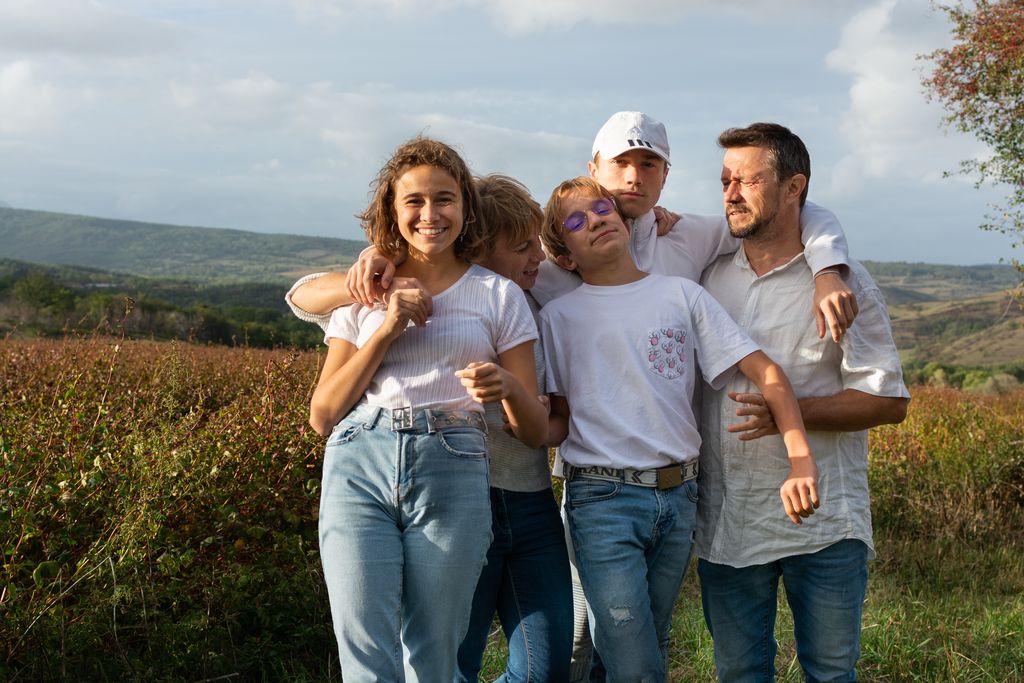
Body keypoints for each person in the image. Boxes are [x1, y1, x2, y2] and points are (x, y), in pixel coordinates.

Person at [538, 176, 820, 682]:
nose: (596, 219)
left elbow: (768, 372)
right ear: (564, 257)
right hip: (601, 500)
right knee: (635, 658)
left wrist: (801, 459)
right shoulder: (558, 317)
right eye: (575, 221)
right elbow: (557, 417)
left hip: (679, 495)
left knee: (644, 640)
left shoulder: (680, 295)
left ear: (625, 221)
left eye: (602, 208)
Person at [298, 173, 573, 682]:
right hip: (407, 468)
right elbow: (302, 296)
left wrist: (512, 393)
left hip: (513, 496)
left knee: (500, 664)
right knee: (415, 657)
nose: (538, 259)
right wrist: (366, 277)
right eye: (521, 248)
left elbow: (547, 426)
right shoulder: (382, 290)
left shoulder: (515, 298)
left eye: (537, 246)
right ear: (482, 246)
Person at [696, 123, 910, 682]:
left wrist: (788, 416)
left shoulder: (845, 283)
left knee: (831, 673)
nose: (731, 193)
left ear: (795, 188)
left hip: (825, 522)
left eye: (747, 180)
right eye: (724, 181)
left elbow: (887, 401)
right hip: (729, 519)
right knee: (740, 674)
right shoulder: (706, 277)